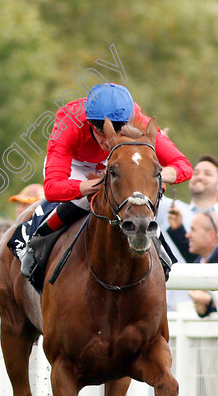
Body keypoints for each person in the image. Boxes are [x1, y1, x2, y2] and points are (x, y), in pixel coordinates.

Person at [20, 83, 192, 279]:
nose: (107, 140)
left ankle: (161, 250)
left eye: (118, 131)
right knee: (86, 200)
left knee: (136, 195)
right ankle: (39, 240)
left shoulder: (139, 121)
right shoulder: (69, 121)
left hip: (117, 161)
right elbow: (52, 188)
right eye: (101, 132)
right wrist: (98, 185)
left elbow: (183, 166)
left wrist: (155, 175)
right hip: (76, 165)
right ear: (90, 123)